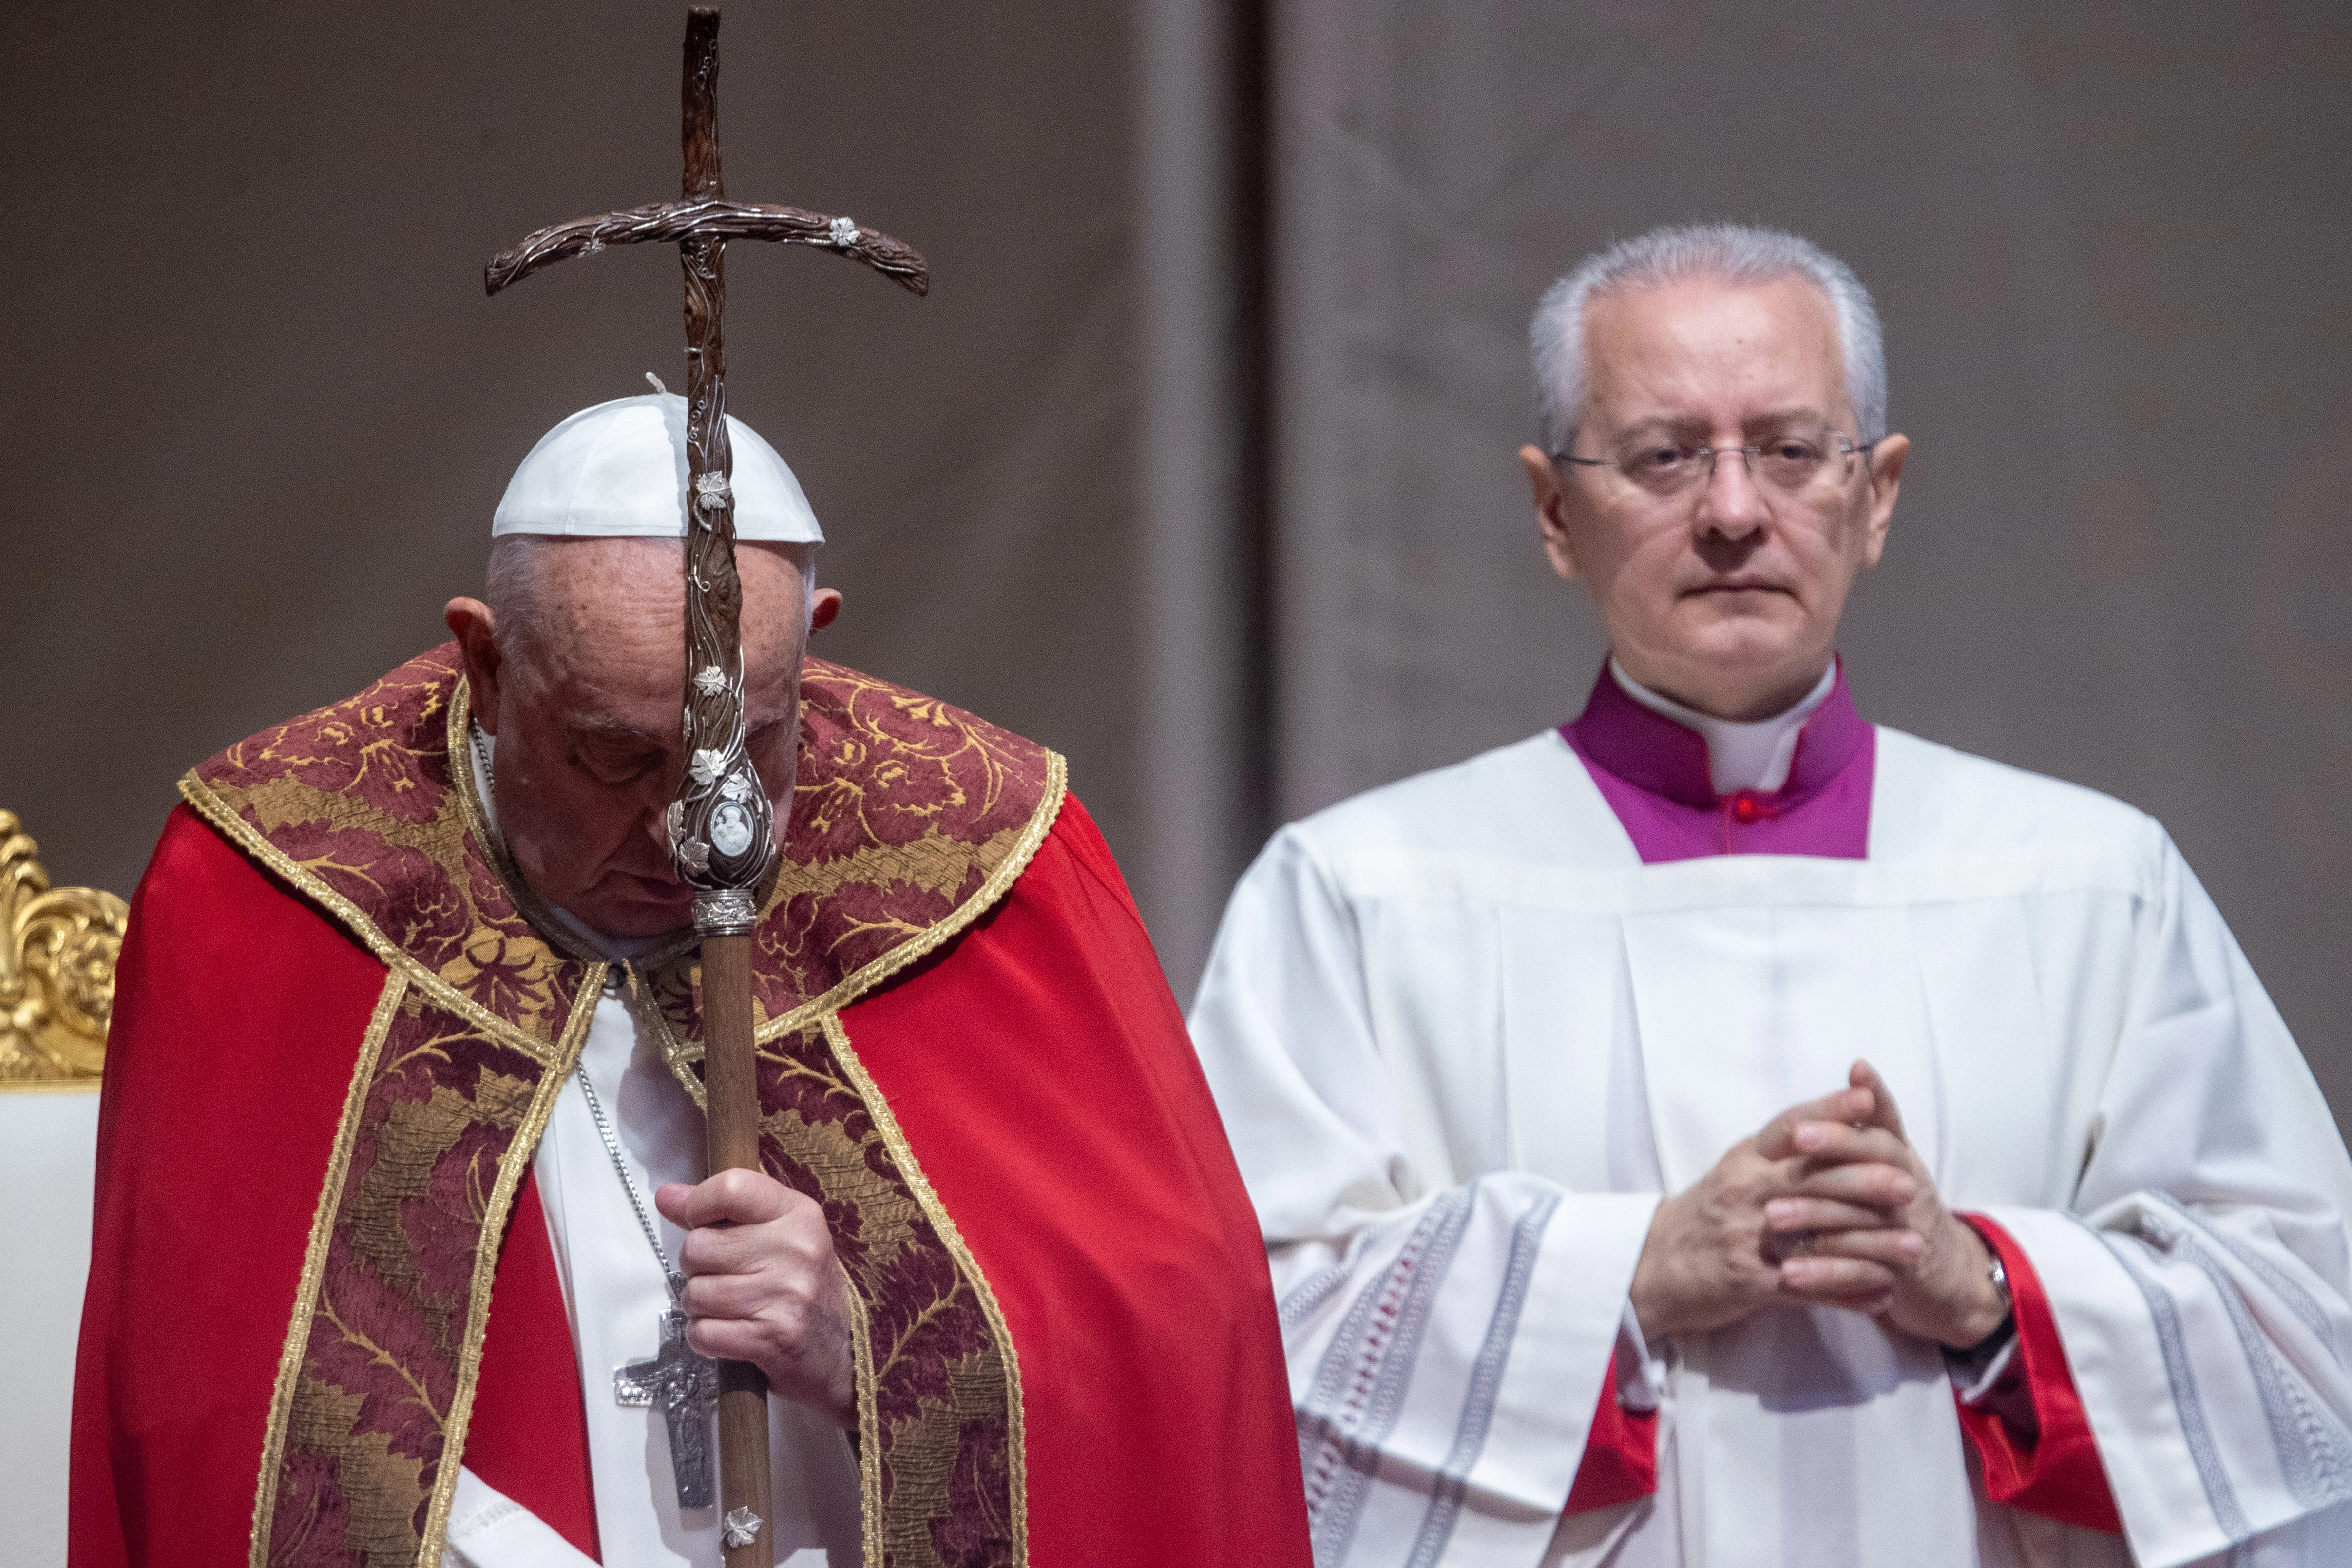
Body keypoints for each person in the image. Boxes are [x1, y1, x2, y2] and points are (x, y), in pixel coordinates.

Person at [1187, 224, 2352, 1568]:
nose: (1734, 511)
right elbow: (1239, 1349)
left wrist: (1981, 1286)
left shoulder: (2092, 882)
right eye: (1664, 455)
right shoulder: (1360, 895)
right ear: (1553, 511)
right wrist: (1626, 1275)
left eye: (1792, 451)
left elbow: (2303, 1332)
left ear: (1878, 494)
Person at [72, 392, 1312, 1568]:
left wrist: (877, 1351)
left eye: (750, 744)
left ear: (812, 648)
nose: (691, 832)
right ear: (487, 667)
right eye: (618, 757)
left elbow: (1181, 1352)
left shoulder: (985, 855)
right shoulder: (280, 880)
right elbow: (207, 1402)